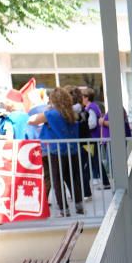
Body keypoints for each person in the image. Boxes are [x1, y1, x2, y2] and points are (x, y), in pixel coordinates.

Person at [29, 87, 83, 216]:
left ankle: (64, 210)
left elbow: (31, 120)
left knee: (57, 180)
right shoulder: (72, 113)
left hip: (56, 151)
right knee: (73, 178)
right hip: (73, 150)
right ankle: (79, 206)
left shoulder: (51, 114)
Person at [81, 87, 110, 189]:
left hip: (92, 138)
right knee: (94, 160)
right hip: (93, 138)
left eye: (83, 97)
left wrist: (83, 127)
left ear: (87, 98)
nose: (81, 99)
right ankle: (104, 182)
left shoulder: (91, 108)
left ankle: (103, 183)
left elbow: (92, 124)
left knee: (94, 160)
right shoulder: (93, 107)